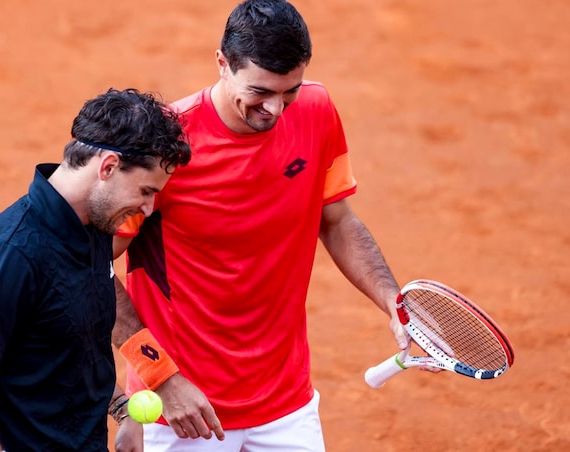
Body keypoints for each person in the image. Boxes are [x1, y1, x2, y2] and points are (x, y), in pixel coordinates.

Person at [110, 1, 441, 451]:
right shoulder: (166, 144)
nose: (275, 110)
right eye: (260, 92)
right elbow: (91, 266)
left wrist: (391, 300)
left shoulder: (317, 110)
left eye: (290, 92)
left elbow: (337, 220)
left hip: (286, 402)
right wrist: (159, 379)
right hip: (183, 410)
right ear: (222, 64)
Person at [0, 88, 192, 451]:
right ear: (109, 167)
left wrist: (123, 410)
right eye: (145, 191)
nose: (148, 208)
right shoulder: (9, 256)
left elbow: (68, 350)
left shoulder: (96, 229)